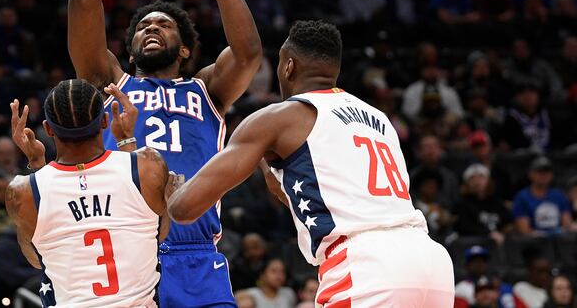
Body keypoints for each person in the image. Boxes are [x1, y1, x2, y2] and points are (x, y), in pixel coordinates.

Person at [68, 0, 261, 307]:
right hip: (127, 251)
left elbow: (248, 51)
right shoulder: (108, 81)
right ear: (130, 44)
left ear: (186, 48)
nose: (151, 27)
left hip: (197, 256)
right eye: (142, 26)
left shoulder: (208, 88)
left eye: (164, 25)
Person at [168, 20, 455, 306]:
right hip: (431, 259)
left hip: (367, 264)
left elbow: (184, 208)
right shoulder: (379, 118)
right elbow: (315, 194)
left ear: (288, 67)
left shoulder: (279, 117)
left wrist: (160, 177)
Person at [6, 79, 173, 307]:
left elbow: (37, 259)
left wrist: (36, 163)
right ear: (105, 120)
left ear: (47, 129)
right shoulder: (148, 166)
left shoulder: (23, 191)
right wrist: (126, 141)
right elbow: (159, 233)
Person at [512, 157, 573, 235]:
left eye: (547, 171)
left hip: (559, 242)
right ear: (531, 174)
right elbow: (524, 230)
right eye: (540, 172)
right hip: (533, 244)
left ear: (552, 175)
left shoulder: (559, 195)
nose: (544, 175)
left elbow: (567, 225)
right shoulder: (522, 197)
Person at [452, 164, 511, 243]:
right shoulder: (461, 204)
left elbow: (508, 222)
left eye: (481, 177)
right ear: (466, 184)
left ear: (489, 181)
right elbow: (464, 227)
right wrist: (488, 234)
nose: (477, 182)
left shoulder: (497, 202)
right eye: (472, 178)